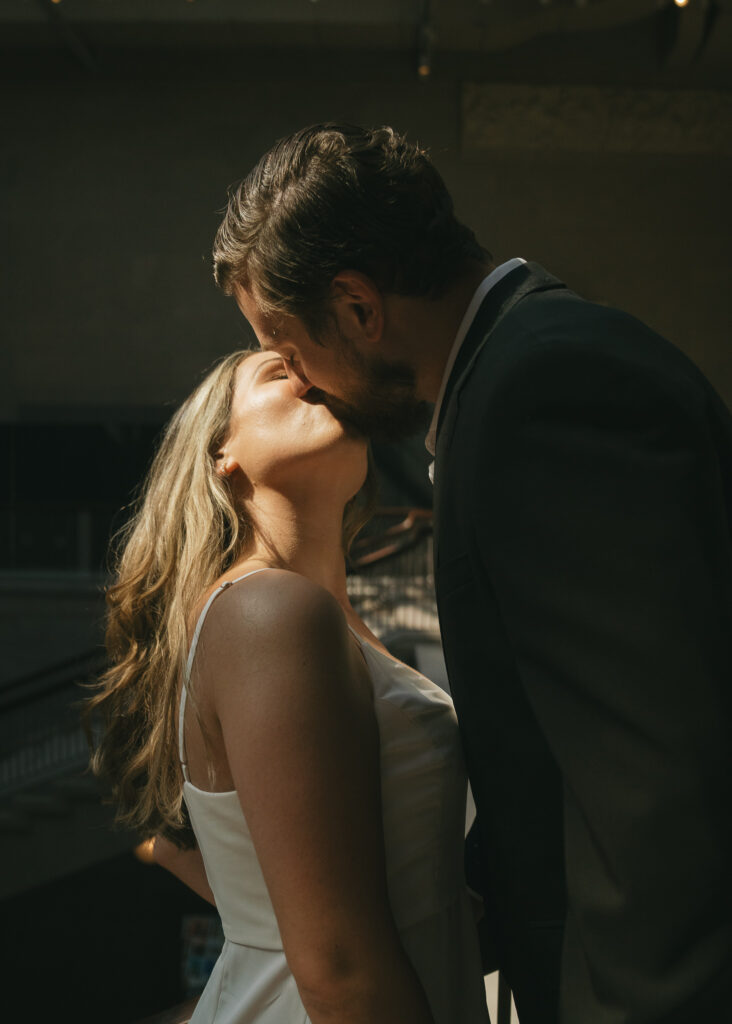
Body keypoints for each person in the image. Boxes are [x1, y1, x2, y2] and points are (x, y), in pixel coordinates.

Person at [211, 123, 732, 1023]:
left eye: (289, 349)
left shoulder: (540, 392)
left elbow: (656, 791)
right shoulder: (531, 369)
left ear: (360, 310)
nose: (301, 380)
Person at [86, 348, 490, 1024]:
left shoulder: (325, 620)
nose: (316, 375)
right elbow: (339, 968)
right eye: (281, 372)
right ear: (222, 454)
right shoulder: (265, 611)